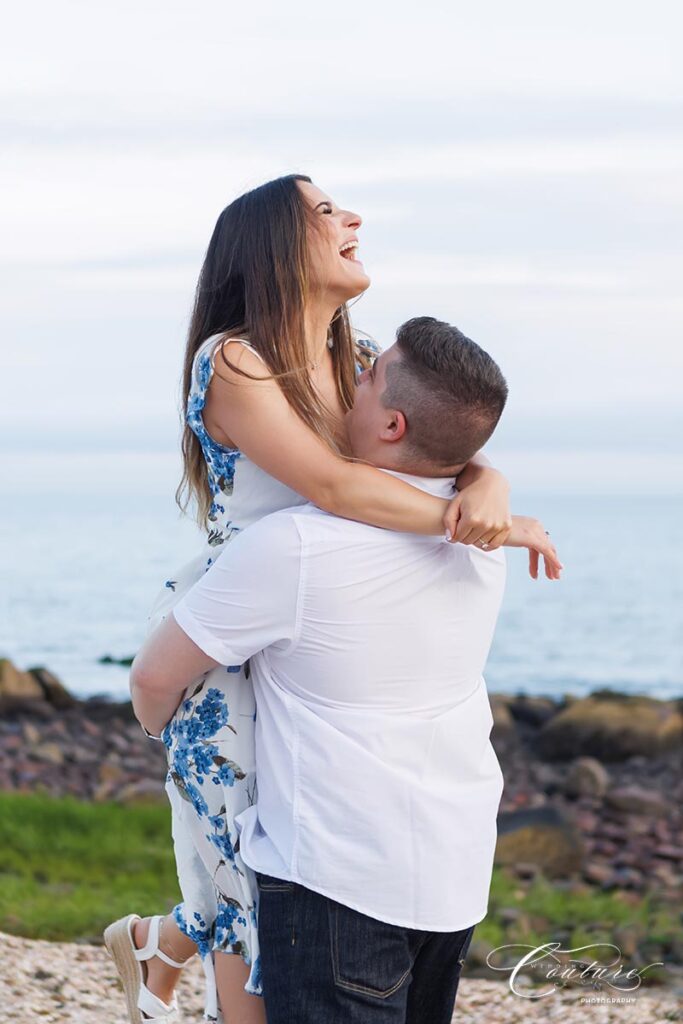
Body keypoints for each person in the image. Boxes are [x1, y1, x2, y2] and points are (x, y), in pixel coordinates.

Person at [104, 175, 559, 1024]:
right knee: (249, 887)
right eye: (324, 211)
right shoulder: (236, 360)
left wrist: (485, 478)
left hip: (316, 631)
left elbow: (424, 438)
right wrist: (470, 518)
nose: (352, 218)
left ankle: (156, 945)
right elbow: (334, 486)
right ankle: (163, 949)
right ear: (272, 247)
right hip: (236, 632)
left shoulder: (360, 359)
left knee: (267, 877)